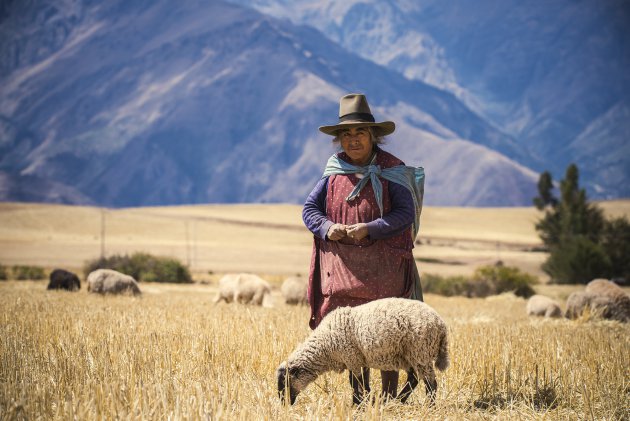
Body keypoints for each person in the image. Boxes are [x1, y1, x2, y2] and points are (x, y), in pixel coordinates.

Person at [302, 93, 425, 405]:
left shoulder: (391, 169)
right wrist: (329, 228)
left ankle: (388, 398)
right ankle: (359, 395)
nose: (352, 139)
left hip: (384, 269)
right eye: (346, 133)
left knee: (384, 331)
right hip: (344, 270)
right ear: (339, 139)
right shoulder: (333, 171)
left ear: (374, 136)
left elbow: (404, 214)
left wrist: (369, 228)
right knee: (350, 334)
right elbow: (309, 211)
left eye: (359, 133)